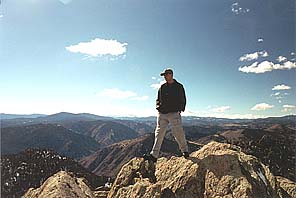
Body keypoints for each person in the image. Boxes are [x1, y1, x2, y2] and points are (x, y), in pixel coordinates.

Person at [143, 68, 189, 162]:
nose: (164, 77)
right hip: (162, 114)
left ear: (171, 74)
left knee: (178, 133)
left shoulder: (179, 86)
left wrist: (180, 109)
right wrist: (158, 108)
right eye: (164, 75)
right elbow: (158, 99)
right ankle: (154, 155)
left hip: (174, 113)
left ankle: (185, 151)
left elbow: (183, 98)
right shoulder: (162, 87)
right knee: (159, 134)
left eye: (166, 75)